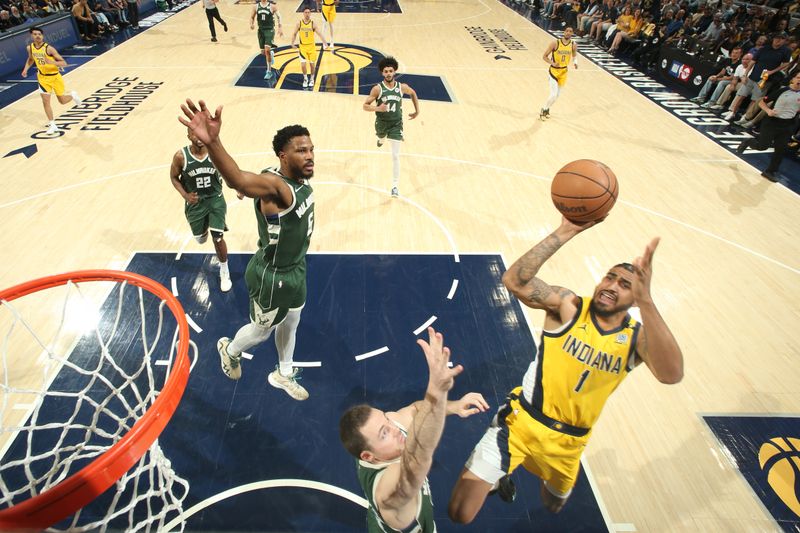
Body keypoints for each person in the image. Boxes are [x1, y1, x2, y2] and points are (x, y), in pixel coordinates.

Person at [448, 217, 684, 524]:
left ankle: (504, 475)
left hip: (569, 443)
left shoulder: (636, 338)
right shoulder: (568, 306)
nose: (611, 286)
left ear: (635, 298)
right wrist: (567, 229)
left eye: (624, 285)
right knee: (459, 514)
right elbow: (514, 281)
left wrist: (648, 301)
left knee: (553, 504)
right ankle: (496, 479)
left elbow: (672, 375)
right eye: (609, 277)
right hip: (521, 423)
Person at [179, 99, 316, 401]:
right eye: (301, 151)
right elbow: (238, 179)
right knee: (261, 332)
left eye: (310, 149)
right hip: (272, 275)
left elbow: (250, 183)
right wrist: (213, 142)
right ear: (284, 155)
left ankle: (283, 372)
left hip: (296, 268)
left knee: (292, 320)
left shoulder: (288, 178)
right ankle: (229, 350)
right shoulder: (278, 188)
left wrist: (246, 189)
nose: (309, 156)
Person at [339, 327, 489, 533]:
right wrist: (437, 390)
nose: (394, 428)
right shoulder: (388, 495)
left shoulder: (382, 434)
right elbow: (417, 459)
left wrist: (455, 406)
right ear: (368, 456)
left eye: (386, 419)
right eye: (384, 433)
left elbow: (415, 411)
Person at [169, 127, 237, 293]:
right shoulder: (180, 156)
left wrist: (238, 188)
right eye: (194, 133)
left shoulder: (215, 153)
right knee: (200, 239)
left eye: (201, 133)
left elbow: (229, 172)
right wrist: (185, 195)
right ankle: (203, 229)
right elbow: (173, 177)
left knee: (218, 237)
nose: (198, 136)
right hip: (196, 203)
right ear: (188, 136)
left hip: (215, 200)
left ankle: (224, 270)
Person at [362, 56, 419, 198]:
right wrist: (378, 108)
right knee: (381, 137)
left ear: (394, 72)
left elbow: (413, 93)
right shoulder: (377, 89)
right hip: (382, 123)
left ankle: (394, 186)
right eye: (386, 71)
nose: (388, 73)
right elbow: (365, 106)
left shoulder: (402, 87)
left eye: (391, 71)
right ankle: (381, 139)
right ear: (382, 73)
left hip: (396, 124)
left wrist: (417, 110)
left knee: (395, 155)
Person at [736, 71, 800, 182]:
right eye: (798, 77)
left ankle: (770, 171)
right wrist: (768, 110)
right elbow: (761, 102)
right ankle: (748, 142)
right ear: (793, 79)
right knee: (763, 146)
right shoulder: (782, 90)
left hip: (788, 125)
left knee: (780, 149)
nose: (799, 80)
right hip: (772, 123)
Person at [21, 27, 82, 135]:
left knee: (62, 101)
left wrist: (51, 62)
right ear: (32, 36)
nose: (37, 36)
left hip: (55, 77)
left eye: (39, 34)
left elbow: (63, 63)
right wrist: (25, 69)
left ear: (42, 36)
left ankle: (73, 95)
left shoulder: (49, 49)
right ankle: (52, 124)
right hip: (43, 78)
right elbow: (31, 59)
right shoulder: (29, 48)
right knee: (45, 101)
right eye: (35, 34)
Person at [540, 26, 578, 121]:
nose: (568, 33)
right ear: (564, 32)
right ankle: (544, 109)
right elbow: (544, 56)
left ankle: (547, 109)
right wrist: (552, 63)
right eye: (567, 31)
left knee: (557, 96)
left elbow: (574, 55)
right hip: (554, 71)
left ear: (572, 33)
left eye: (570, 31)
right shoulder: (555, 43)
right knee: (553, 94)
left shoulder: (573, 44)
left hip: (564, 71)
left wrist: (575, 62)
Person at [290, 7, 326, 89]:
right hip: (302, 47)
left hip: (311, 47)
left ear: (310, 13)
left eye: (308, 12)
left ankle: (312, 78)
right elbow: (294, 33)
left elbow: (320, 34)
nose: (307, 14)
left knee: (312, 65)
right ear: (303, 13)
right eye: (305, 12)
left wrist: (325, 43)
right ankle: (305, 79)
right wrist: (292, 43)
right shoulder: (299, 23)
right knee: (303, 64)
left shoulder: (313, 23)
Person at [251, 0, 282, 79]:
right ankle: (271, 54)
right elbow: (252, 17)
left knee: (267, 50)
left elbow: (279, 16)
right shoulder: (256, 6)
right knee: (263, 52)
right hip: (261, 31)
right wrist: (251, 24)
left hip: (269, 30)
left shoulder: (272, 6)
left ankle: (269, 71)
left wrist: (280, 27)